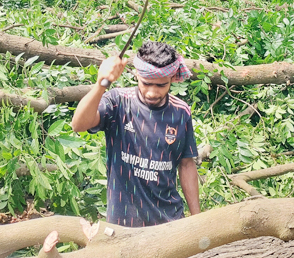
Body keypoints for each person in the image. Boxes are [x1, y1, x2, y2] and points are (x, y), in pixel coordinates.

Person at [71, 41, 200, 228]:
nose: (152, 92)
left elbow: (187, 164)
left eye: (161, 85)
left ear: (172, 78)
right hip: (123, 223)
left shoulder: (180, 112)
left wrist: (197, 220)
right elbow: (78, 124)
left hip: (169, 222)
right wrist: (101, 84)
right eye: (146, 83)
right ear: (137, 74)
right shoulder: (118, 102)